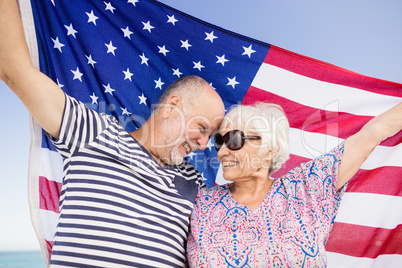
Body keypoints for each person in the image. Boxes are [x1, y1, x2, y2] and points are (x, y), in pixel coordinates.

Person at [0, 1, 225, 267]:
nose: (203, 145)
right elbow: (14, 70)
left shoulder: (197, 184)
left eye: (210, 137)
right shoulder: (95, 133)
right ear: (173, 106)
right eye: (202, 129)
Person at [187, 101, 402, 267]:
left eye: (233, 140)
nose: (222, 152)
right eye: (219, 142)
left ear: (270, 148)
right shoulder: (200, 202)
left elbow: (372, 133)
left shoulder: (307, 187)